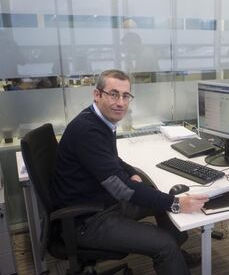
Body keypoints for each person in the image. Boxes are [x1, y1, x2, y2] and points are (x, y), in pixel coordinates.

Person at [52, 69, 209, 275]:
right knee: (165, 241)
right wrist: (177, 204)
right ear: (97, 95)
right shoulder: (87, 131)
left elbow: (110, 158)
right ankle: (171, 254)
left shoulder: (98, 119)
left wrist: (130, 171)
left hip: (102, 202)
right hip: (88, 219)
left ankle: (176, 260)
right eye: (113, 94)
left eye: (126, 96)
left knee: (158, 197)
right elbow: (121, 190)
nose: (120, 102)